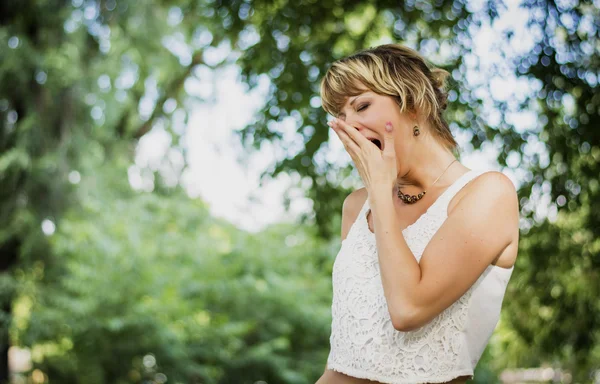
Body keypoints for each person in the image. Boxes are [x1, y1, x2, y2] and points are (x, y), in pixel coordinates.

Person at [315, 44, 519, 384]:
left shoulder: (488, 194)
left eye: (361, 106)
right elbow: (348, 356)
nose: (347, 127)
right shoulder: (355, 206)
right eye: (341, 117)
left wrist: (380, 191)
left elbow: (408, 309)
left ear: (413, 103)